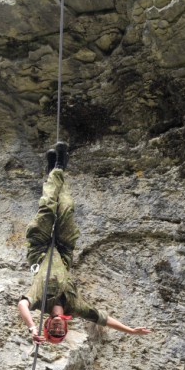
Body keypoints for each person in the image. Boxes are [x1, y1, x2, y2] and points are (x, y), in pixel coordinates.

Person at [17, 142, 152, 344]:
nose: (56, 328)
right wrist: (130, 331)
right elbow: (102, 318)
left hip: (40, 249)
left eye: (52, 331)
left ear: (47, 326)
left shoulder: (41, 303)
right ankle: (55, 169)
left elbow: (22, 304)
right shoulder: (75, 306)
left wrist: (32, 327)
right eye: (59, 332)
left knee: (47, 208)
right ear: (65, 327)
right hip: (63, 252)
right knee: (66, 208)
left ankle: (57, 167)